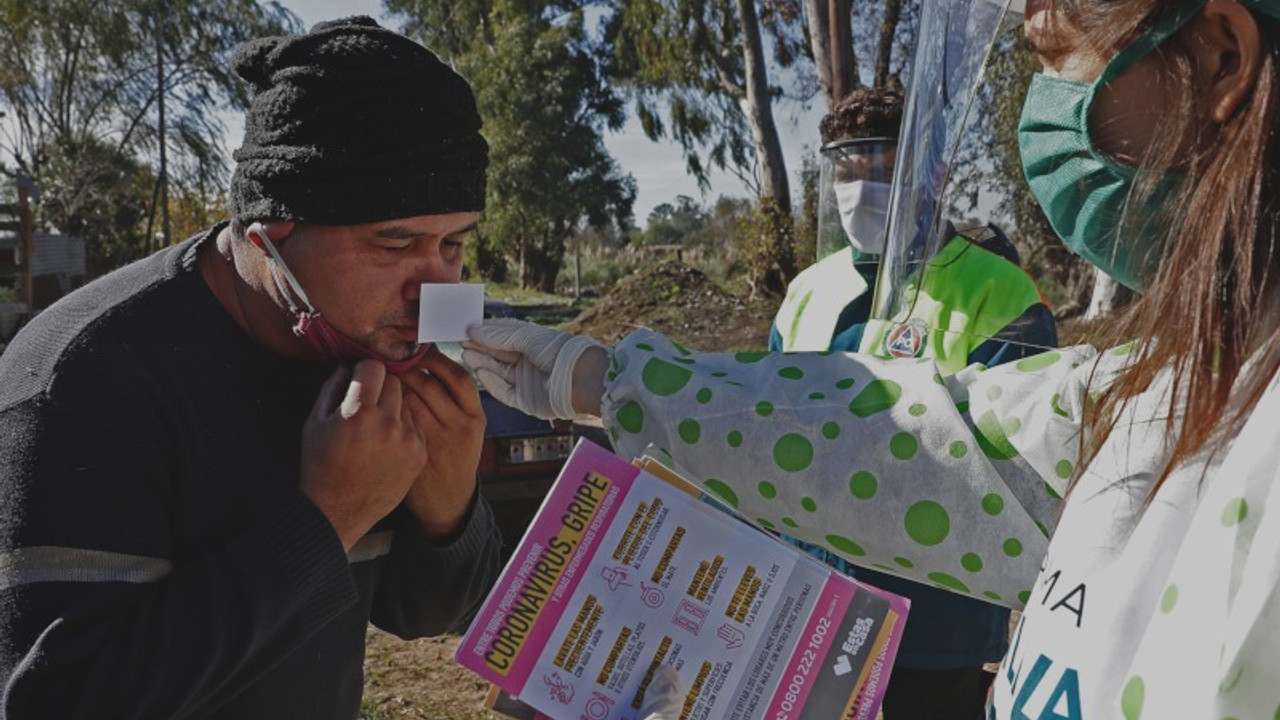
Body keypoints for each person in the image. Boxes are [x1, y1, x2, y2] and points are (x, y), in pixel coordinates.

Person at [462, 0, 1280, 716]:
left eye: (1056, 59)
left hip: (935, 636)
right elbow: (908, 439)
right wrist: (608, 381)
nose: (1047, 114)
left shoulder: (1010, 297)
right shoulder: (1168, 394)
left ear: (1218, 57)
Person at [0, 17, 503, 719]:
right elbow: (60, 701)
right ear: (270, 233)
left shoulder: (369, 350)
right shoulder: (84, 379)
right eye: (394, 245)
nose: (432, 287)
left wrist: (449, 508)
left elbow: (425, 616)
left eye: (453, 245)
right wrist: (326, 518)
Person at [772, 85, 1057, 719]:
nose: (858, 189)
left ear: (935, 174)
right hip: (810, 609)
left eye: (880, 169)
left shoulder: (998, 293)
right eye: (846, 169)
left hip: (935, 629)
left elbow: (1013, 469)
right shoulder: (806, 292)